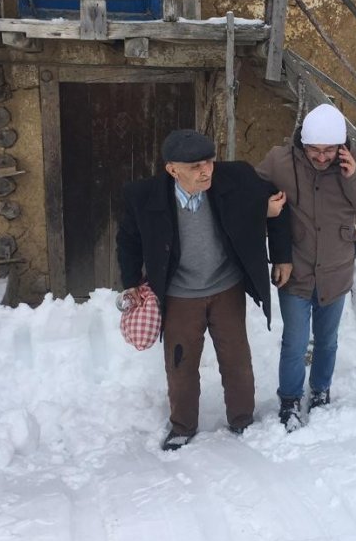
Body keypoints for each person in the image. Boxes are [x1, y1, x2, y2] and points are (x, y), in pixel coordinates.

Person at [117, 129, 292, 451]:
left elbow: (277, 204)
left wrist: (281, 256)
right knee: (181, 364)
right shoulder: (144, 196)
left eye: (209, 162)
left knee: (236, 359)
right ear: (173, 169)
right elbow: (128, 240)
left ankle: (242, 420)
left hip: (226, 287)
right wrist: (131, 284)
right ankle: (182, 426)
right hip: (180, 294)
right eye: (196, 166)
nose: (206, 171)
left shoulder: (235, 177)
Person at [256, 104, 356, 430]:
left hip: (336, 268)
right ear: (303, 142)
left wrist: (353, 176)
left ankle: (320, 392)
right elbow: (250, 193)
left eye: (329, 150)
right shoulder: (279, 160)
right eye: (315, 149)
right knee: (295, 342)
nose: (322, 156)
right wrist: (264, 207)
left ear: (341, 146)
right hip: (295, 269)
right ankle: (289, 400)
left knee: (326, 341)